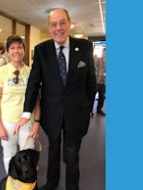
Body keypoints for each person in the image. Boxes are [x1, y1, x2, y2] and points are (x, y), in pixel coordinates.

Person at [18, 8, 96, 190]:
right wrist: (27, 111)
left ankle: (72, 186)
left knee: (72, 155)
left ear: (69, 24)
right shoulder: (41, 50)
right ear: (49, 27)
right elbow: (33, 83)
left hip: (76, 112)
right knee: (53, 151)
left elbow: (91, 81)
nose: (58, 28)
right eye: (53, 24)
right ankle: (52, 184)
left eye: (62, 23)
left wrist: (86, 107)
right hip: (51, 112)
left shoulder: (84, 47)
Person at [0, 35, 41, 174]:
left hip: (27, 123)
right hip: (7, 122)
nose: (16, 51)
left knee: (28, 156)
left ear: (24, 50)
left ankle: (27, 184)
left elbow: (36, 99)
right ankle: (13, 184)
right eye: (12, 48)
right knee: (10, 156)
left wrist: (37, 122)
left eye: (19, 47)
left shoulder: (31, 72)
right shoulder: (1, 72)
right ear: (8, 51)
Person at [94, 47, 106, 116]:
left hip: (103, 83)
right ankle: (89, 110)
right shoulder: (98, 60)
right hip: (96, 82)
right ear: (102, 53)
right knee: (92, 96)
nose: (105, 55)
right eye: (104, 53)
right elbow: (94, 70)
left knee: (102, 97)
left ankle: (99, 109)